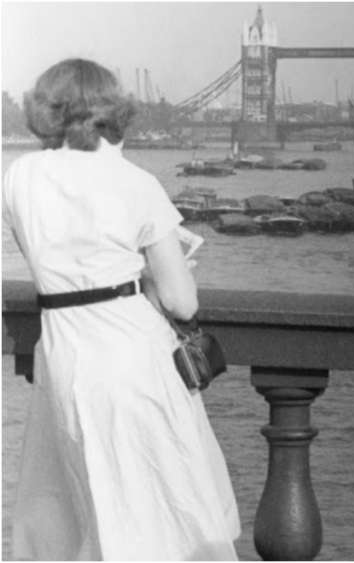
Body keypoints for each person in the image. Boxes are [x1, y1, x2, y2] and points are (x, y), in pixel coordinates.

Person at [4, 58, 240, 560]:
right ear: (111, 110)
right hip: (134, 362)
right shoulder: (136, 184)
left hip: (64, 363)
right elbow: (181, 301)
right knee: (164, 514)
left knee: (88, 513)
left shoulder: (19, 178)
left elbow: (51, 264)